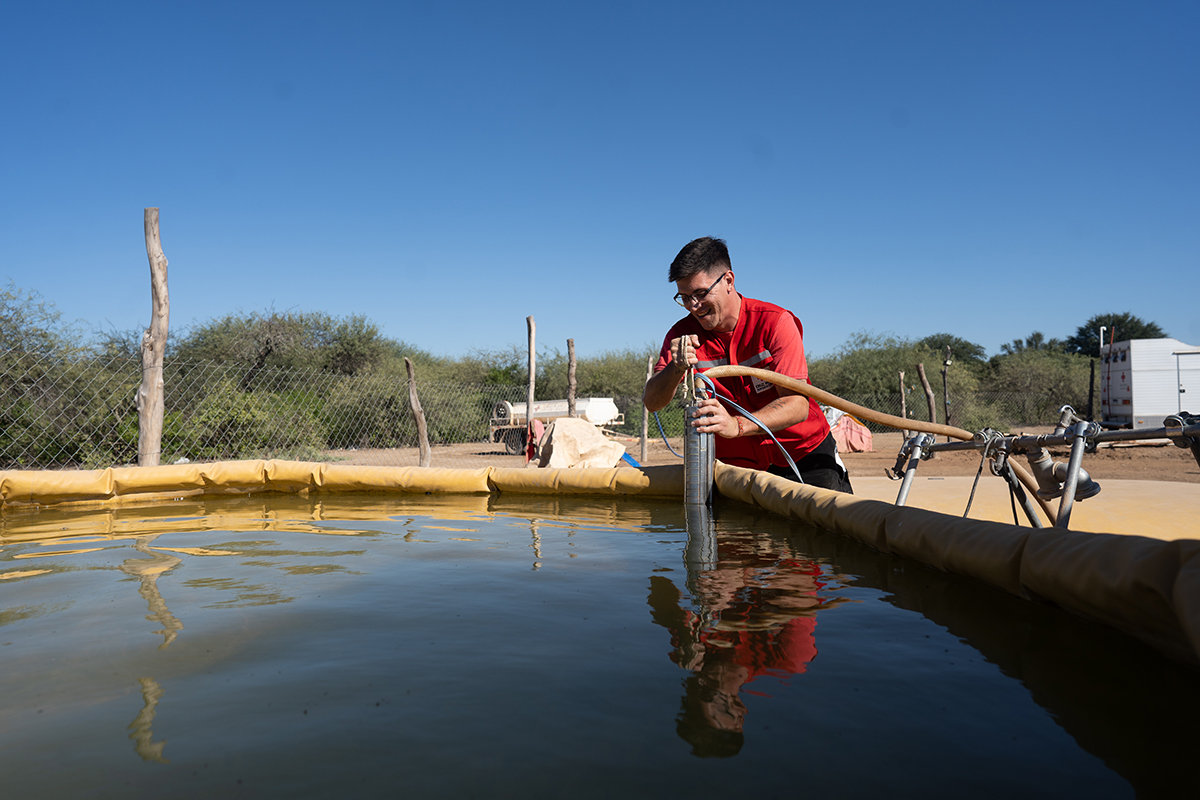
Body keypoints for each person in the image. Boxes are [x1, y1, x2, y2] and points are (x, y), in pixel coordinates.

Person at [643, 236, 852, 492]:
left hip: (804, 456)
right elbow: (652, 402)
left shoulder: (775, 323)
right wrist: (676, 368)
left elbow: (798, 406)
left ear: (728, 280)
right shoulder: (680, 335)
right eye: (684, 297)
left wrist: (737, 425)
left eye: (700, 293)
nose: (694, 307)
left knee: (827, 530)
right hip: (737, 467)